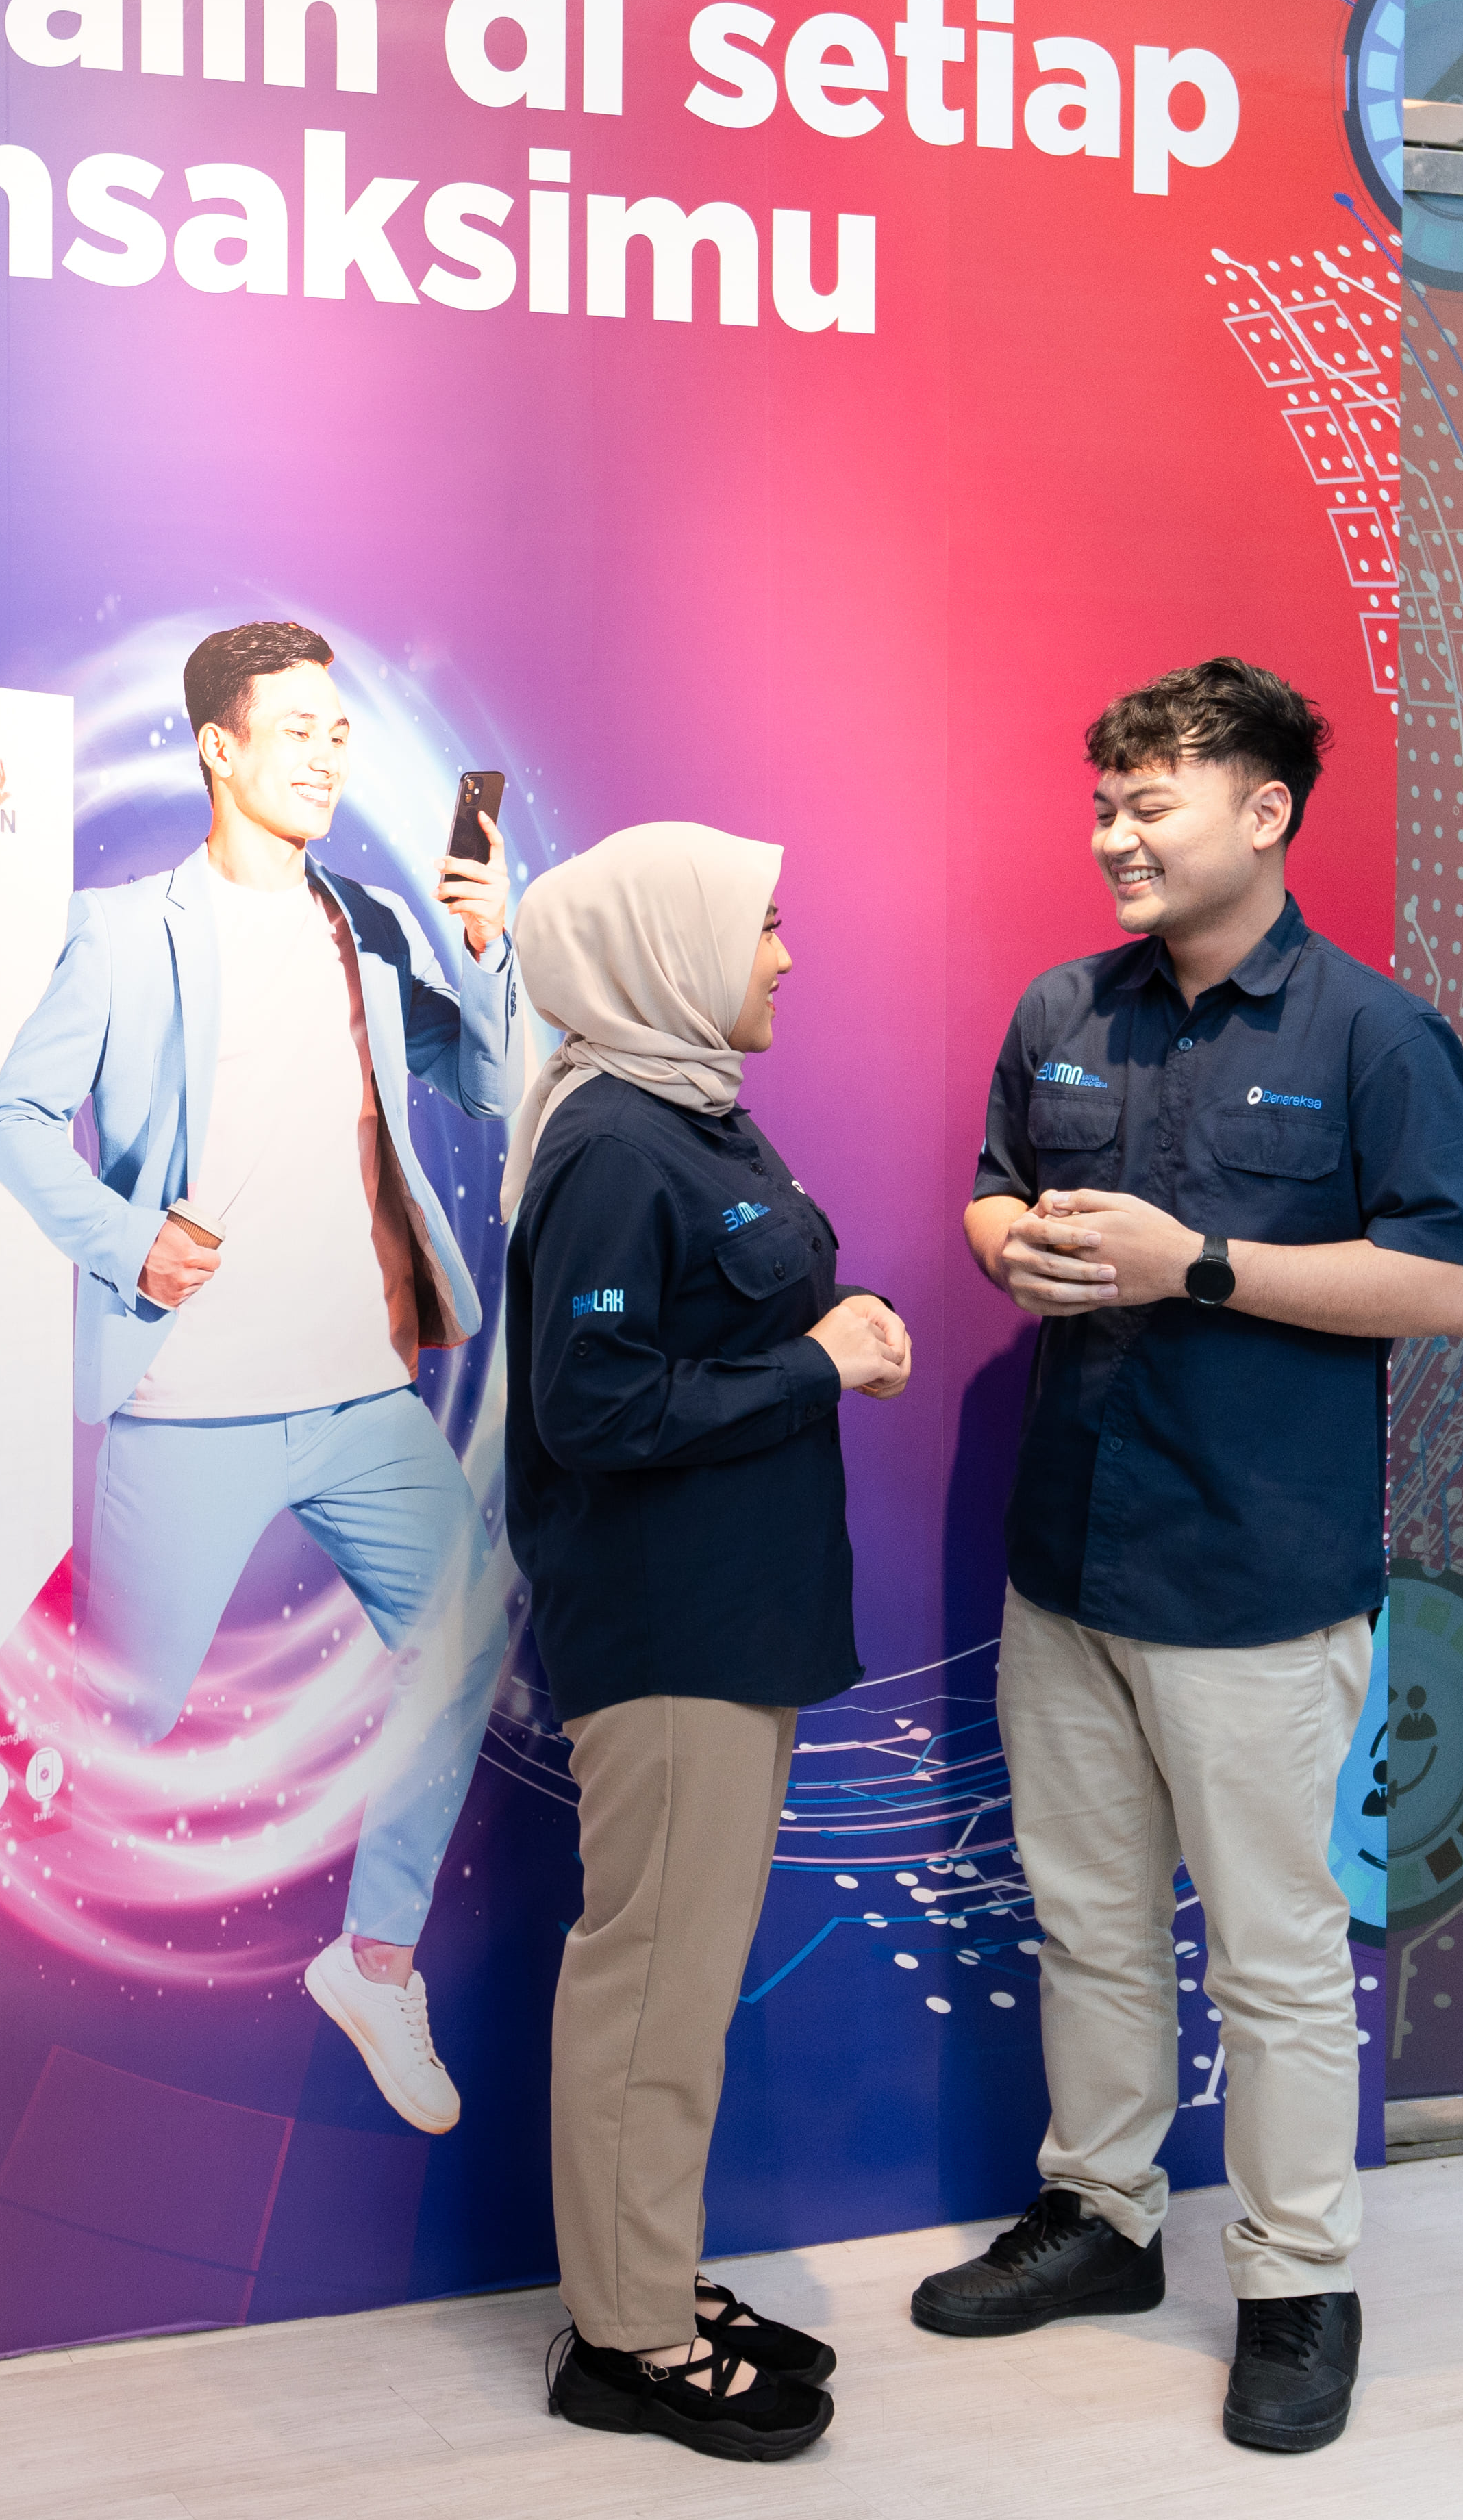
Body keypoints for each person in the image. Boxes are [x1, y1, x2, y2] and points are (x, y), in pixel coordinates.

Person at [919, 659, 1463, 2455]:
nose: (1113, 834)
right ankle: (1098, 2217)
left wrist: (1205, 1265)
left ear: (1262, 810)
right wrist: (1006, 1244)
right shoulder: (1060, 1006)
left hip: (1253, 1577)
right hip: (1064, 1561)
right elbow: (988, 1184)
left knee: (1272, 1957)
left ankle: (1295, 2279)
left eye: (1148, 801)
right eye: (1101, 803)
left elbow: (1453, 1283)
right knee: (1089, 1921)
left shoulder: (1370, 1034)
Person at [0, 619, 516, 2132]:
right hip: (191, 1401)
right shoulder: (122, 931)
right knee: (126, 1721)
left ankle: (374, 1957)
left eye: (340, 731)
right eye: (298, 729)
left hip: (359, 1396)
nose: (329, 755)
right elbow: (13, 1121)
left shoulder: (369, 924)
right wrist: (125, 1240)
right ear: (219, 747)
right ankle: (15, 1995)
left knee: (466, 1636)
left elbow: (484, 1082)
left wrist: (486, 952)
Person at [505, 824, 912, 2461]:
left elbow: (714, 1320)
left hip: (735, 1615)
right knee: (652, 1979)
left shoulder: (694, 1109)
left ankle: (647, 2271)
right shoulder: (613, 1141)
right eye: (760, 926)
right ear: (666, 947)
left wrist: (822, 1337)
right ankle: (624, 2339)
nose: (785, 955)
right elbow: (591, 1405)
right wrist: (819, 1362)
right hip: (669, 1627)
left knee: (680, 1976)